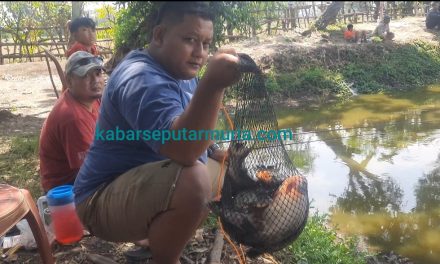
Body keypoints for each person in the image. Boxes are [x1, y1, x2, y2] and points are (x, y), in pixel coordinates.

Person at [73, 2, 240, 263]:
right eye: (190, 40)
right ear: (160, 35)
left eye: (206, 44)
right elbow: (184, 150)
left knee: (226, 169)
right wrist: (214, 84)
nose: (199, 53)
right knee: (195, 180)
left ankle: (159, 235)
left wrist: (215, 151)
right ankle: (165, 258)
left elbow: (192, 125)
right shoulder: (140, 78)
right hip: (98, 201)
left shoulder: (181, 69)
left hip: (141, 182)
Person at [39, 51, 104, 193]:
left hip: (85, 172)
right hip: (68, 189)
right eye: (86, 75)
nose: (95, 81)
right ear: (69, 81)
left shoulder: (93, 99)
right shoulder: (72, 117)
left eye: (98, 73)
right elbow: (92, 170)